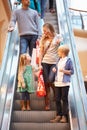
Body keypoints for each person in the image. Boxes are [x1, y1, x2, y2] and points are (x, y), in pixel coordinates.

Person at [39, 23, 63, 110]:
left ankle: (57, 95)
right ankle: (47, 104)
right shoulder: (43, 39)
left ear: (50, 28)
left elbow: (63, 47)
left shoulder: (58, 36)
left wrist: (60, 43)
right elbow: (41, 53)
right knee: (46, 83)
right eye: (43, 31)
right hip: (45, 62)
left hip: (54, 62)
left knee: (51, 80)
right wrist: (39, 64)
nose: (44, 32)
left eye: (45, 30)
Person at [50, 44, 74, 123]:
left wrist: (64, 71)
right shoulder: (59, 60)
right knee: (57, 99)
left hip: (65, 83)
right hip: (57, 83)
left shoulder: (69, 60)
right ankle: (58, 115)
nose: (58, 53)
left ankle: (64, 116)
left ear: (63, 52)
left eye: (59, 51)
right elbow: (57, 69)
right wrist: (55, 69)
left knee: (64, 99)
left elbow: (72, 71)